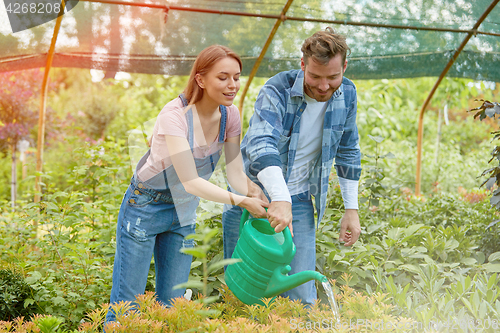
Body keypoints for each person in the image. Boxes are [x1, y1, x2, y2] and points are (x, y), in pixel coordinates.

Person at [105, 45, 268, 324]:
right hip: (145, 208)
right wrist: (242, 201)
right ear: (201, 80)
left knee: (173, 307)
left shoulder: (231, 117)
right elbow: (191, 181)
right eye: (223, 77)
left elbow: (236, 175)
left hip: (183, 212)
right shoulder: (174, 116)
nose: (232, 85)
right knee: (126, 307)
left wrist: (258, 194)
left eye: (236, 77)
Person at [222, 27, 362, 306]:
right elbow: (261, 144)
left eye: (333, 77)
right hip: (254, 200)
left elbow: (348, 150)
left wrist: (351, 209)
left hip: (297, 203)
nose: (324, 86)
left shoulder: (347, 93)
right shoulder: (278, 89)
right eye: (315, 76)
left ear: (344, 67)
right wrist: (279, 198)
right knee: (246, 291)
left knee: (301, 295)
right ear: (302, 65)